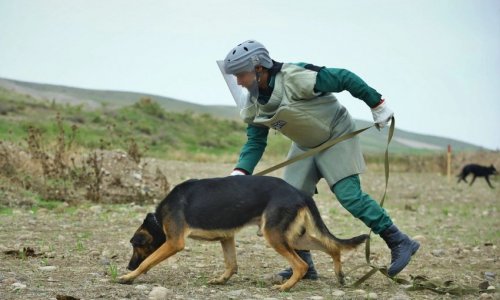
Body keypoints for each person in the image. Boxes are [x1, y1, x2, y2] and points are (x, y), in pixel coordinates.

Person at [218, 40, 419, 280]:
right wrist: (240, 173)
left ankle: (399, 241)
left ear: (259, 68)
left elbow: (344, 77)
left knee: (349, 196)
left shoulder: (296, 77)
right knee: (287, 204)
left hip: (337, 134)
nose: (238, 82)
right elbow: (254, 143)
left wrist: (377, 103)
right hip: (305, 146)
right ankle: (305, 266)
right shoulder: (253, 104)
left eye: (241, 75)